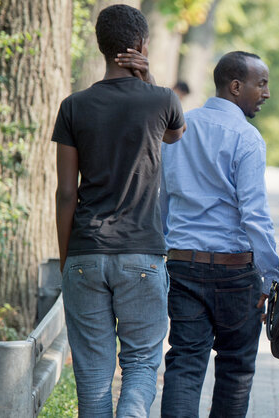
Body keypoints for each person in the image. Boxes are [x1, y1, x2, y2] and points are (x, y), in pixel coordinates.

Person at [53, 5, 186, 416]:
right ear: (142, 45)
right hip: (143, 256)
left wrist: (66, 259)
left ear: (100, 46)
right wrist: (151, 80)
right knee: (142, 364)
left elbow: (64, 194)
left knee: (93, 377)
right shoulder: (161, 100)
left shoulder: (73, 106)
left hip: (85, 253)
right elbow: (174, 134)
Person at [159, 51, 277, 418]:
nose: (267, 92)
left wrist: (167, 249)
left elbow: (164, 198)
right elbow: (255, 216)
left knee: (184, 363)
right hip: (234, 274)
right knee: (236, 368)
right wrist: (271, 278)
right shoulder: (247, 137)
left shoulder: (179, 129)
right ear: (235, 86)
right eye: (261, 83)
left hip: (182, 268)